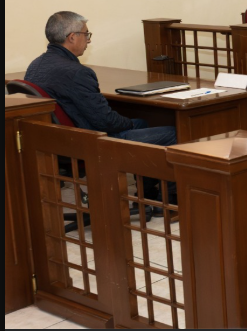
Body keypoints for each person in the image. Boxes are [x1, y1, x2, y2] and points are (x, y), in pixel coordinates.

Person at [25, 11, 177, 205]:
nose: (88, 40)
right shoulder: (77, 72)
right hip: (90, 142)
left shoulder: (36, 65)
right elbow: (105, 121)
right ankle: (170, 200)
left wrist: (131, 123)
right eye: (86, 34)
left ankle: (147, 194)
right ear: (72, 37)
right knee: (172, 134)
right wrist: (128, 123)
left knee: (142, 123)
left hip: (57, 141)